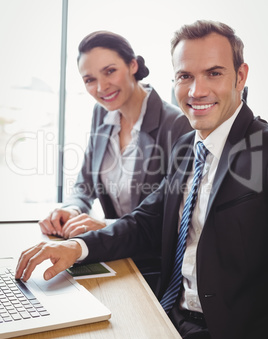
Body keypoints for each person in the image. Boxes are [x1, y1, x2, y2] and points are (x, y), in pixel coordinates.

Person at [15, 21, 268, 339]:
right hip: (169, 313)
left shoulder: (260, 150)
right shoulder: (186, 147)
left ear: (240, 77)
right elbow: (146, 221)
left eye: (213, 73)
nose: (196, 91)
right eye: (185, 76)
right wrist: (77, 247)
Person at [38, 30, 192, 289]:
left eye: (109, 71)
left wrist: (107, 226)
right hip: (113, 255)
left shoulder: (177, 124)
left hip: (151, 267)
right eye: (89, 79)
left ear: (133, 65)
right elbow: (85, 183)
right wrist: (72, 208)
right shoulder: (102, 113)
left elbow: (174, 219)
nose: (101, 88)